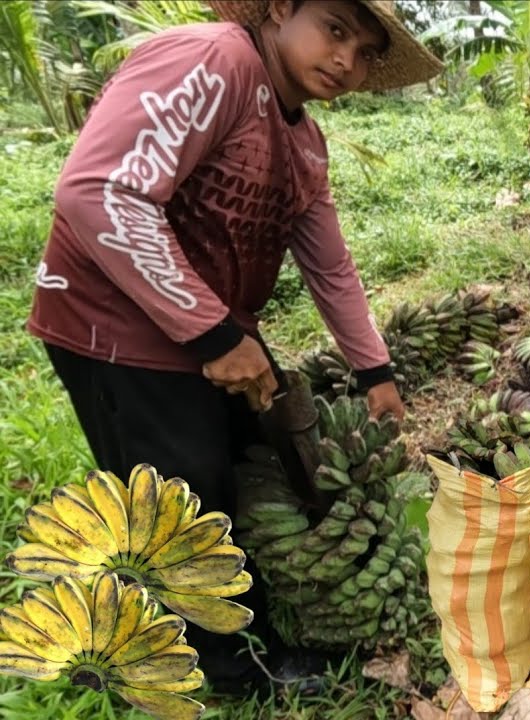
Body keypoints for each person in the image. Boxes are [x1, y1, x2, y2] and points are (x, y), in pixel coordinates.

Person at [26, 0, 441, 695]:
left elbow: (329, 267)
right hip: (116, 327)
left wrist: (375, 369)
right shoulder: (216, 59)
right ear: (279, 9)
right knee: (183, 497)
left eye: (366, 51)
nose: (347, 60)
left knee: (262, 454)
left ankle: (247, 602)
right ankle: (227, 669)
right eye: (335, 30)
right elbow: (100, 191)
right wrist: (213, 334)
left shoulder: (304, 142)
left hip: (209, 324)